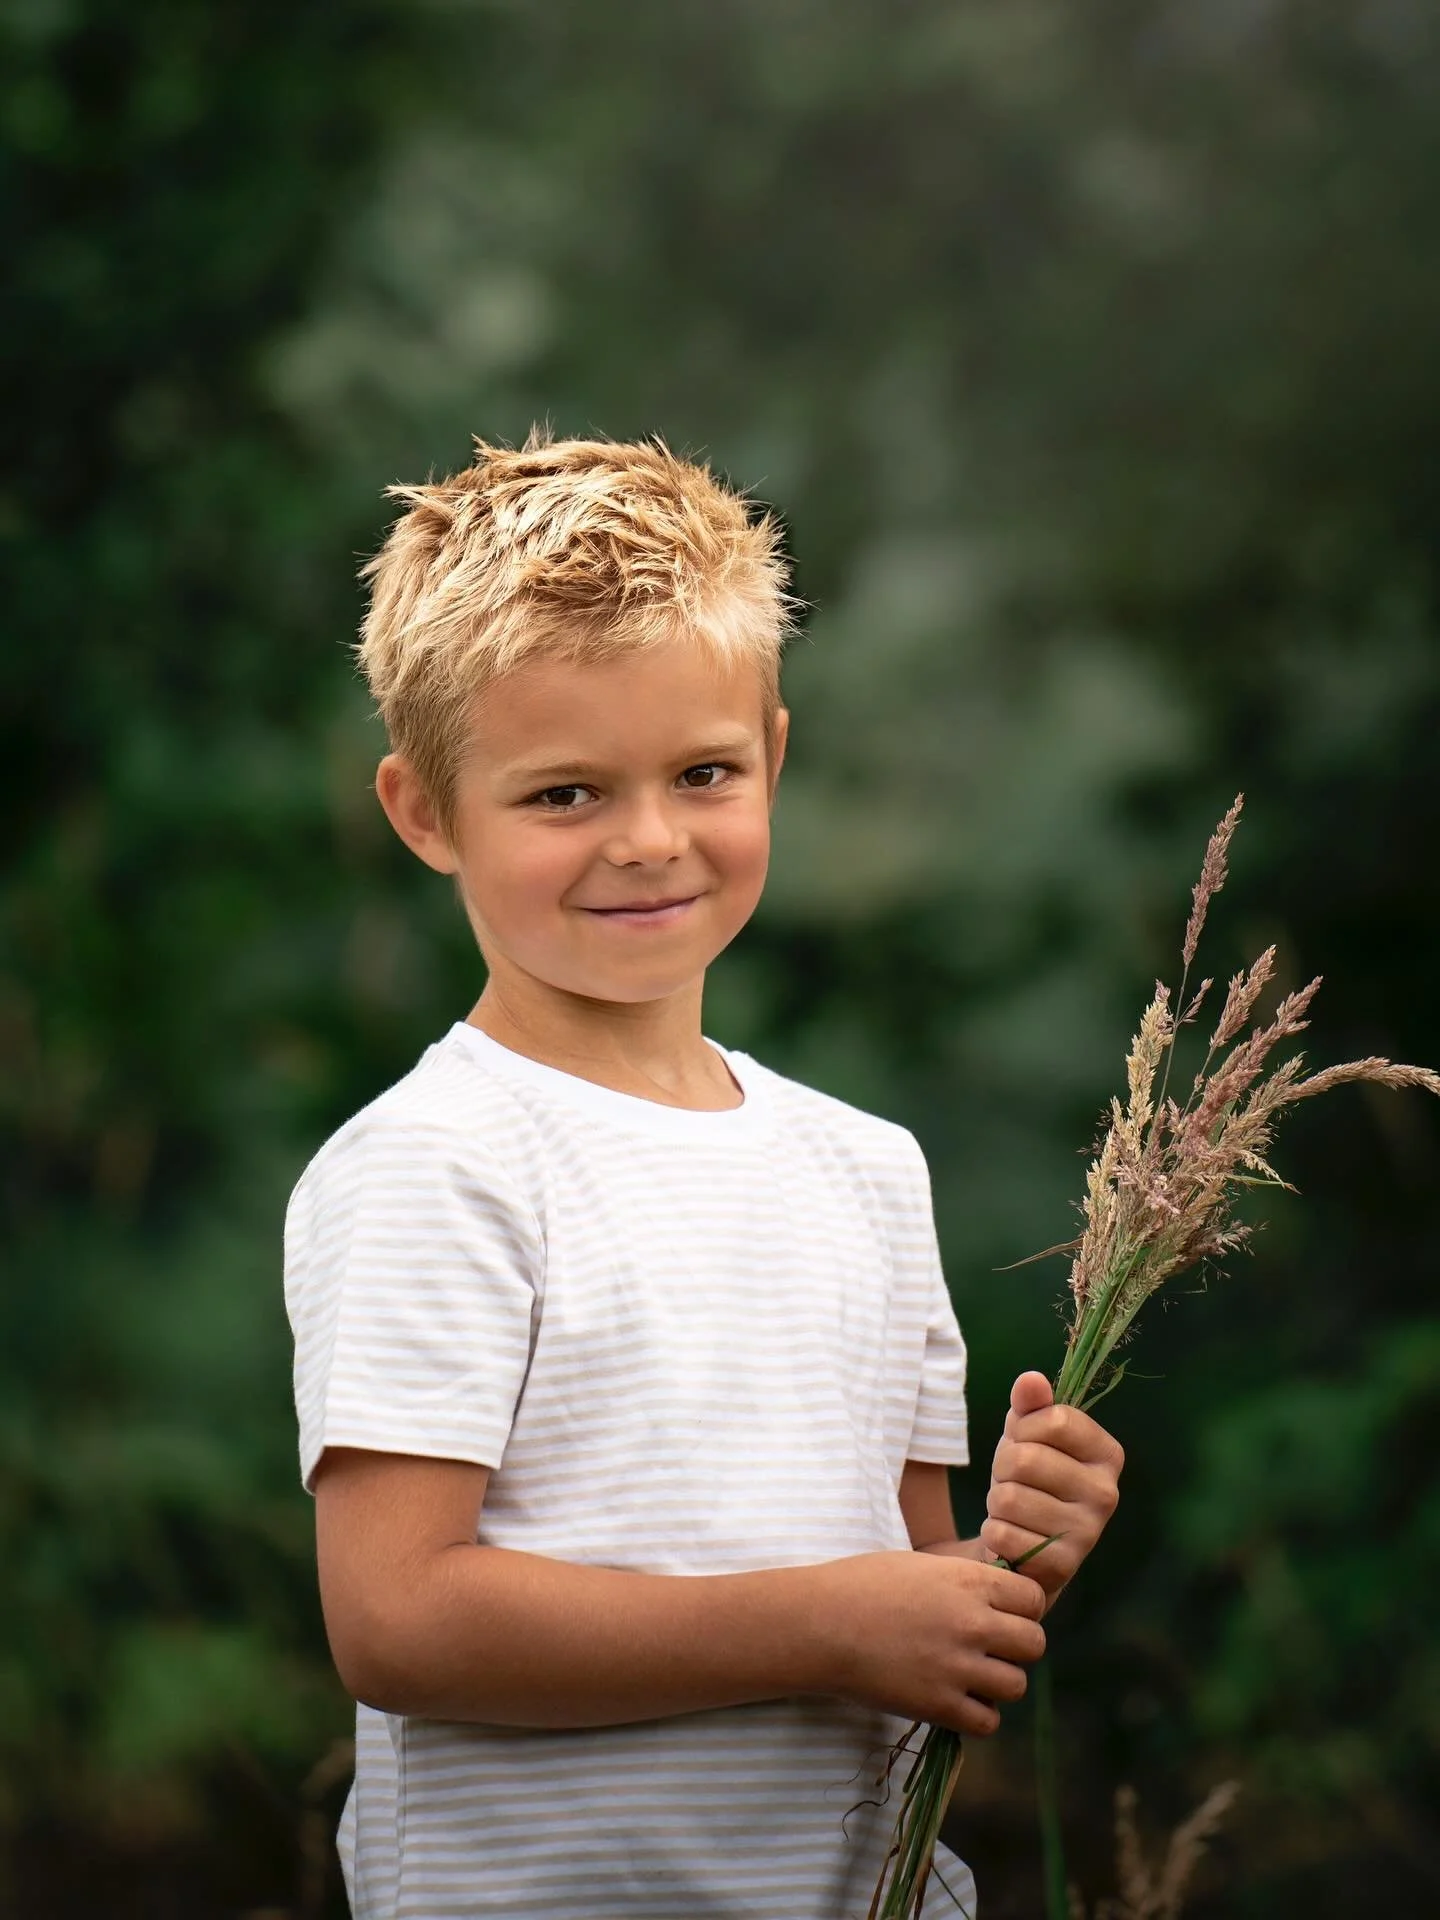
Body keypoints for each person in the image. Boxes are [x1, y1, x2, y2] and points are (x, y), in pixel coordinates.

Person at [283, 432, 1125, 1919]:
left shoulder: (868, 1169)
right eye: (564, 796)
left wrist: (1014, 1564)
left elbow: (904, 1614)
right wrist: (829, 1625)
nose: (650, 840)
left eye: (703, 773)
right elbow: (399, 1619)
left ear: (774, 758)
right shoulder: (439, 1164)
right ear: (424, 814)